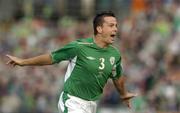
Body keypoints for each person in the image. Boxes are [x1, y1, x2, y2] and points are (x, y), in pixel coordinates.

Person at [6, 11, 137, 113]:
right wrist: (23, 62)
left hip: (91, 105)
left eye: (116, 26)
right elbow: (52, 57)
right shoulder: (79, 47)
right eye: (111, 25)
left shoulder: (115, 54)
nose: (115, 29)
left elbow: (117, 77)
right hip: (72, 101)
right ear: (99, 29)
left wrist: (123, 94)